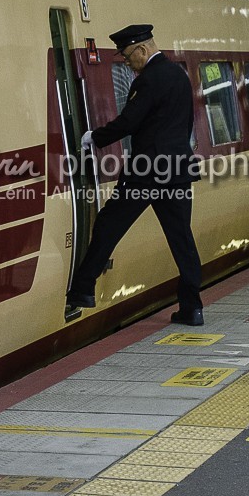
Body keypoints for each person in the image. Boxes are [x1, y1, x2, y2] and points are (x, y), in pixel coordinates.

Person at [66, 24, 204, 326]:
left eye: (128, 57)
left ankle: (82, 290)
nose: (127, 63)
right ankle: (192, 307)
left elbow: (129, 121)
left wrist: (94, 137)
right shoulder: (179, 75)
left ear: (142, 50)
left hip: (147, 172)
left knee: (109, 223)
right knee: (182, 239)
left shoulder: (149, 79)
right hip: (179, 171)